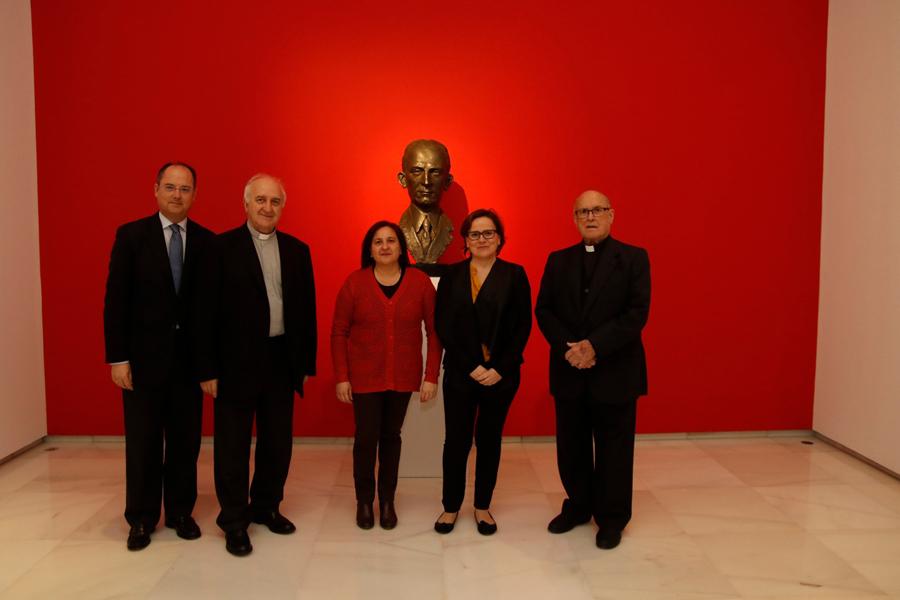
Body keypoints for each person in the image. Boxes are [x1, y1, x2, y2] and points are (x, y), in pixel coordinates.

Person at [193, 173, 317, 557]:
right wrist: (207, 368)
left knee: (277, 442)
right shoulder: (220, 248)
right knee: (232, 445)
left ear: (283, 207)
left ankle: (266, 507)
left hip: (281, 360)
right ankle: (233, 520)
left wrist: (303, 365)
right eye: (260, 200)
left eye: (274, 201)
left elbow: (306, 311)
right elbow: (204, 314)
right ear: (246, 204)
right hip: (234, 363)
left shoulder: (298, 250)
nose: (267, 208)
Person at [103, 162, 215, 550]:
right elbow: (115, 302)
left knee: (186, 444)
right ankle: (142, 518)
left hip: (188, 367)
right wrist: (118, 358)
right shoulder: (132, 237)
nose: (177, 195)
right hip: (142, 365)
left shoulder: (206, 241)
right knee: (143, 444)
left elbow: (209, 311)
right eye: (170, 187)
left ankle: (181, 513)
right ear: (155, 190)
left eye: (185, 189)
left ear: (194, 195)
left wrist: (209, 365)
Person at [534, 190, 650, 550]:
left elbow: (636, 313)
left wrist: (594, 346)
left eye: (597, 209)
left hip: (615, 369)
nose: (590, 216)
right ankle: (579, 506)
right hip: (570, 369)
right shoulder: (558, 260)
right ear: (574, 218)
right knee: (572, 447)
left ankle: (612, 518)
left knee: (615, 449)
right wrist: (571, 348)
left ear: (612, 214)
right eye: (583, 211)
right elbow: (544, 310)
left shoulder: (634, 258)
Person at [331, 221, 442, 530]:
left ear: (401, 247)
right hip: (364, 378)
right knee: (366, 439)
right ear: (370, 249)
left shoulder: (419, 283)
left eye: (390, 240)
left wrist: (431, 375)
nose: (384, 246)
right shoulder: (355, 283)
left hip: (403, 376)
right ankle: (364, 501)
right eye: (377, 241)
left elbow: (434, 333)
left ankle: (388, 500)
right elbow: (339, 332)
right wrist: (342, 376)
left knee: (391, 437)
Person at [432, 209, 532, 535]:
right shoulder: (452, 276)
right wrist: (471, 366)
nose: (482, 239)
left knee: (489, 440)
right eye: (475, 234)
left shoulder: (515, 275)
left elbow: (522, 328)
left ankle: (482, 506)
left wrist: (498, 368)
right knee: (456, 441)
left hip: (501, 376)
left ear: (500, 238)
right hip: (462, 373)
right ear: (465, 240)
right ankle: (450, 506)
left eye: (488, 233)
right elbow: (443, 325)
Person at [397, 139, 455, 266]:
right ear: (403, 179)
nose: (426, 181)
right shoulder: (398, 230)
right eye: (417, 171)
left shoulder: (449, 227)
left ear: (447, 181)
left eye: (435, 172)